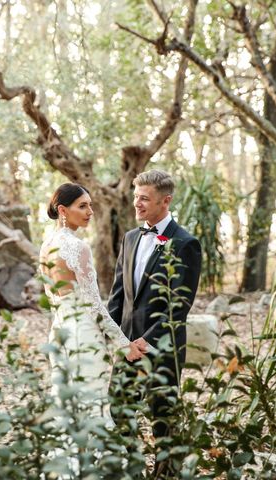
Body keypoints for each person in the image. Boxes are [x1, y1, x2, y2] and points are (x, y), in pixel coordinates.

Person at [108, 169, 202, 440]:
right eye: (136, 197)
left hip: (162, 349)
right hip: (125, 347)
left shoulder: (186, 244)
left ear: (165, 201)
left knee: (163, 423)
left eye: (145, 198)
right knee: (118, 412)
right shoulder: (130, 238)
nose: (137, 203)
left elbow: (179, 306)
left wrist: (144, 344)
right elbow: (118, 296)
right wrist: (116, 339)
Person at [39, 183, 142, 428]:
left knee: (68, 405)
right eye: (82, 206)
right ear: (62, 210)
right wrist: (125, 344)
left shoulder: (45, 246)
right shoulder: (78, 247)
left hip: (59, 333)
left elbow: (53, 298)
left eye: (90, 206)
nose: (90, 212)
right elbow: (94, 305)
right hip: (83, 335)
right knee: (92, 405)